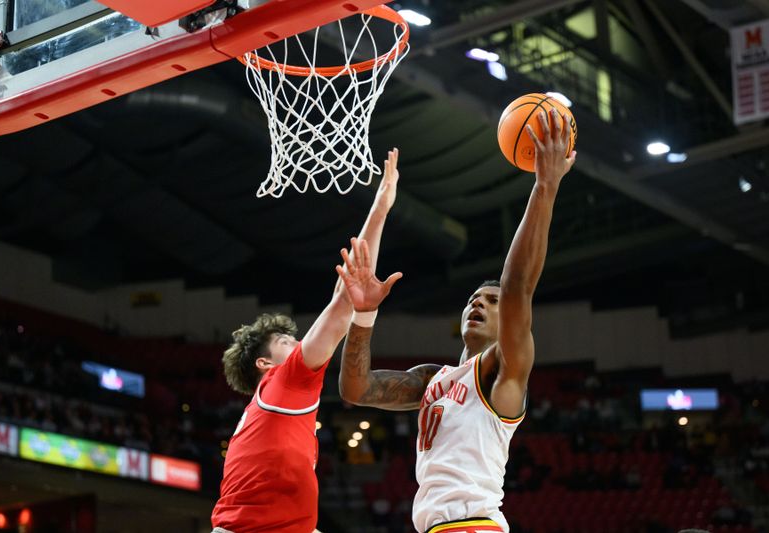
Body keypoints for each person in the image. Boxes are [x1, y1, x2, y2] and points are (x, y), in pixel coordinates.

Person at [337, 109, 576, 533]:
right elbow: (355, 390)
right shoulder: (433, 379)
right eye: (473, 299)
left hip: (473, 525)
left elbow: (518, 284)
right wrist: (364, 313)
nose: (478, 304)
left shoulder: (502, 369)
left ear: (511, 323)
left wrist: (546, 185)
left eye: (491, 301)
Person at [211, 149, 401, 533]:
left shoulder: (274, 407)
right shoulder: (285, 380)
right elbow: (343, 301)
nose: (296, 342)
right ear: (265, 363)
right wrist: (380, 210)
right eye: (284, 340)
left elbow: (341, 297)